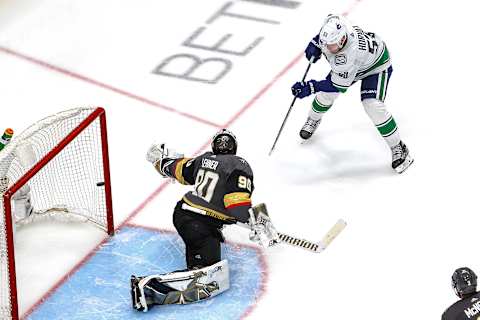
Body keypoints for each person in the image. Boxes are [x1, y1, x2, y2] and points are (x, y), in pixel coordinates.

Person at [130, 129, 279, 312]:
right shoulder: (239, 165)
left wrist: (159, 161)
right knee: (209, 274)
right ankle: (148, 289)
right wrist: (255, 220)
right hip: (200, 224)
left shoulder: (203, 159)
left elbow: (178, 169)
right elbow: (237, 205)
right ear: (234, 147)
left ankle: (194, 263)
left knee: (207, 260)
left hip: (185, 214)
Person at [291, 14, 413, 173]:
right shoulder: (337, 25)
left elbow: (336, 86)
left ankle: (398, 147)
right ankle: (313, 120)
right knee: (325, 96)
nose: (328, 48)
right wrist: (315, 41)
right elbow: (329, 21)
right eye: (325, 44)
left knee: (372, 106)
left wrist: (310, 87)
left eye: (331, 45)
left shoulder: (347, 57)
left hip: (375, 67)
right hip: (357, 65)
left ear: (342, 41)